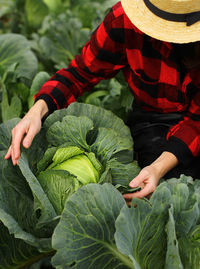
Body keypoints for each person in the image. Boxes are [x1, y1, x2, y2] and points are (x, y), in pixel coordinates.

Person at [5, 0, 200, 202]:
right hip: (155, 118)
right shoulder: (123, 21)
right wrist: (37, 111)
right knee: (166, 196)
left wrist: (160, 166)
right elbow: (80, 72)